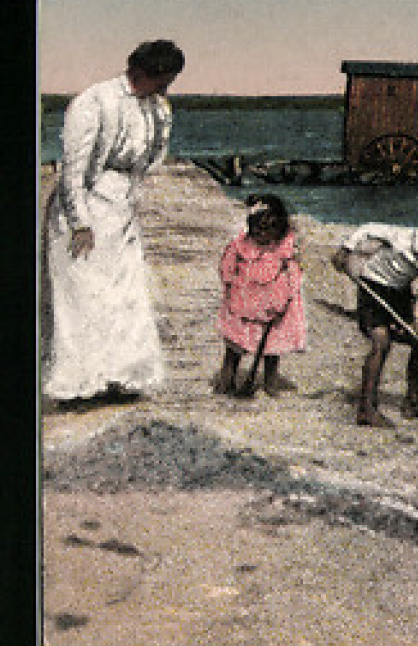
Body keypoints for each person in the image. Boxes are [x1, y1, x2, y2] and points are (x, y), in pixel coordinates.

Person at [42, 39, 186, 405]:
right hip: (87, 203)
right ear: (142, 72)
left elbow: (153, 157)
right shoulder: (94, 102)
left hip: (121, 208)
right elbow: (73, 170)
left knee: (124, 296)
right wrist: (79, 222)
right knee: (84, 298)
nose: (165, 88)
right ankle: (78, 386)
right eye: (162, 80)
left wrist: (129, 195)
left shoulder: (158, 109)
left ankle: (122, 378)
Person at [331, 208, 418, 427]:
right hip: (373, 286)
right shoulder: (402, 237)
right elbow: (367, 228)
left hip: (400, 293)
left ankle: (413, 402)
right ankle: (366, 409)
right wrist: (345, 250)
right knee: (381, 342)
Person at [214, 193, 306, 398]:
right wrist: (230, 286)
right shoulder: (240, 244)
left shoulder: (285, 249)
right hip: (244, 303)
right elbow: (227, 267)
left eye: (269, 230)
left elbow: (294, 275)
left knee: (272, 350)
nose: (263, 236)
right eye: (258, 230)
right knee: (234, 347)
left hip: (275, 307)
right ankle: (225, 382)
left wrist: (285, 299)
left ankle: (270, 385)